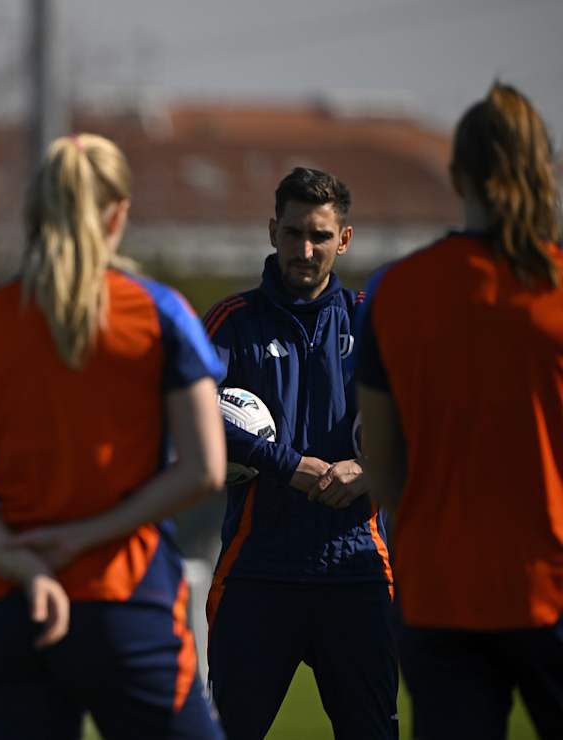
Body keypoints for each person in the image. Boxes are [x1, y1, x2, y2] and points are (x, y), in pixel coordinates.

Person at [0, 133, 226, 739]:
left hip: (13, 607)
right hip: (126, 602)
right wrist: (86, 537)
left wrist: (27, 565)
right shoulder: (159, 313)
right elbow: (205, 469)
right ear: (118, 214)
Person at [357, 82, 563, 739]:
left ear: (455, 174)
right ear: (546, 171)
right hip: (551, 588)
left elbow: (383, 471)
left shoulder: (399, 291)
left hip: (439, 594)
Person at [201, 166, 397, 739]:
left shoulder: (374, 323)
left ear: (345, 239)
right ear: (271, 231)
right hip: (258, 575)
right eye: (292, 233)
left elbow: (424, 421)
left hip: (358, 573)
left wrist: (368, 468)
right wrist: (287, 465)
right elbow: (187, 417)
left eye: (319, 235)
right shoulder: (231, 325)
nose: (305, 249)